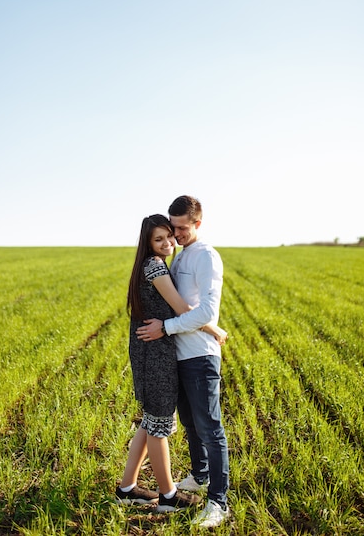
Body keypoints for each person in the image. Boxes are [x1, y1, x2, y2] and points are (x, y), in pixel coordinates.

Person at [116, 214, 226, 513]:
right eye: (159, 239)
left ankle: (126, 488)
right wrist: (212, 328)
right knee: (159, 426)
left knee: (150, 421)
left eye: (169, 235)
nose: (168, 242)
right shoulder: (155, 265)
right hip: (157, 356)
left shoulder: (148, 265)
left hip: (149, 352)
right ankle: (168, 496)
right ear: (148, 243)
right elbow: (180, 308)